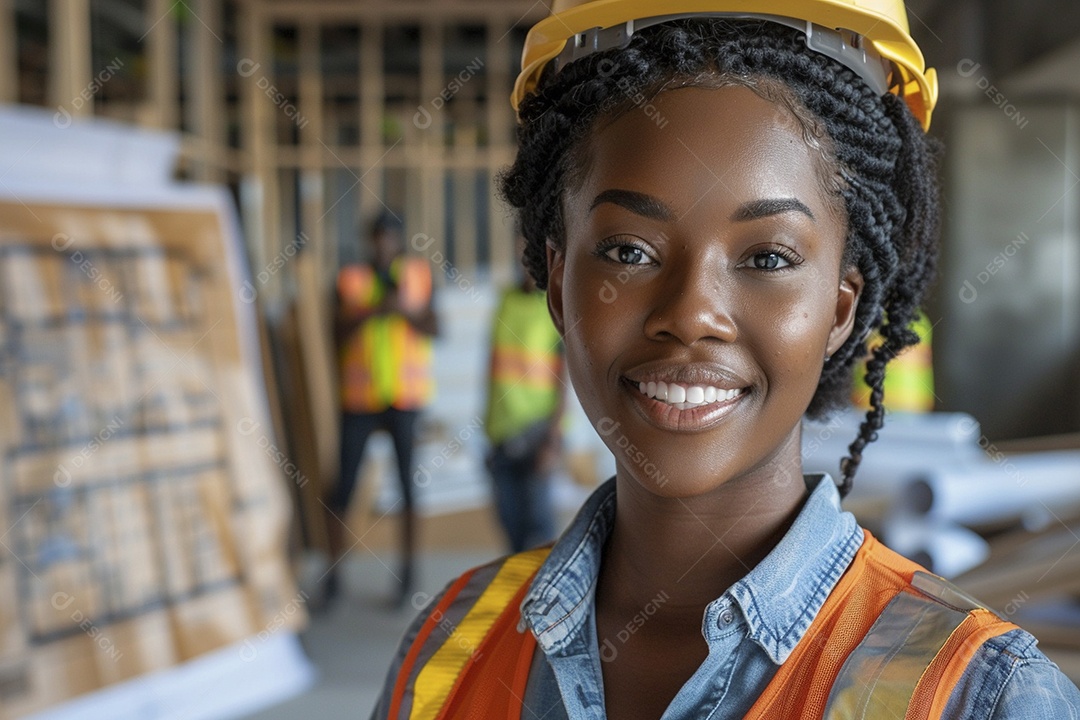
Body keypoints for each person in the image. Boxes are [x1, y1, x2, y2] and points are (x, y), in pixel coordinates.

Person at [371, 2, 1080, 717]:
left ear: (841, 309)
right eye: (629, 251)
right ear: (559, 285)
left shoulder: (980, 696)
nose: (690, 315)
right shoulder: (449, 647)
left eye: (767, 257)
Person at [324, 211, 438, 607]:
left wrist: (403, 310)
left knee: (407, 488)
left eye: (389, 238)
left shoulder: (418, 276)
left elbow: (436, 328)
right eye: (377, 238)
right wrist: (373, 309)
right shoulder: (350, 278)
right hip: (360, 399)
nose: (383, 245)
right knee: (343, 487)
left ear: (399, 240)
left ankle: (408, 577)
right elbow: (334, 332)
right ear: (369, 241)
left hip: (404, 398)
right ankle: (333, 576)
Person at [483, 235, 565, 552]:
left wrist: (553, 439)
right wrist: (488, 433)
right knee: (512, 536)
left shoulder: (552, 305)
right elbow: (493, 372)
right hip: (502, 436)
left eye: (529, 248)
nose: (524, 257)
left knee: (539, 538)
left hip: (537, 435)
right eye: (519, 248)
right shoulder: (505, 300)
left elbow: (563, 377)